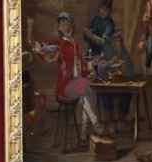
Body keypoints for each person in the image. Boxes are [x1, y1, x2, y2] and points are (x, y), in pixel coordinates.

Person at [33, 12, 102, 140]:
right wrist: (40, 49)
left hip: (78, 84)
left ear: (72, 25)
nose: (65, 26)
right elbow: (48, 53)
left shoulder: (76, 45)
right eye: (62, 24)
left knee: (89, 93)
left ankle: (84, 132)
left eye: (67, 23)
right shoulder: (59, 45)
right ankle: (95, 123)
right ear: (59, 28)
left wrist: (92, 65)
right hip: (64, 87)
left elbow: (82, 68)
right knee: (86, 88)